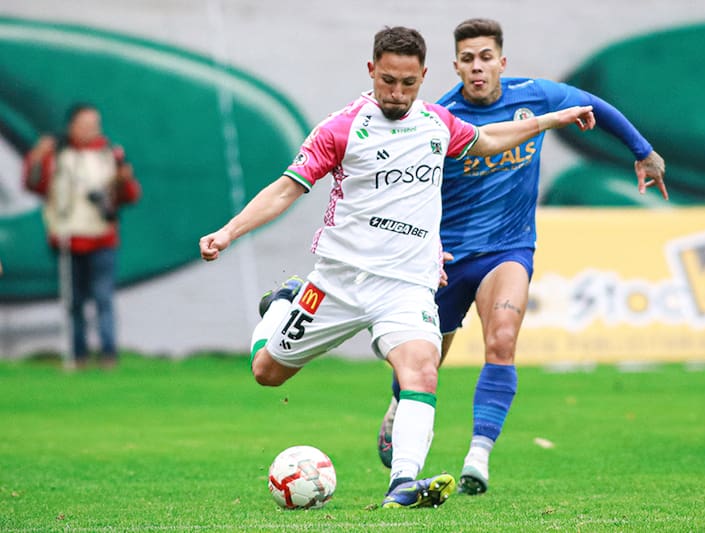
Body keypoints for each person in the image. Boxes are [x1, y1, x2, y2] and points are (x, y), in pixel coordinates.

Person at [199, 26, 595, 509]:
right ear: (371, 71)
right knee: (266, 372)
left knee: (422, 371)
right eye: (388, 81)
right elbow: (286, 188)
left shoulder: (437, 124)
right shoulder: (340, 128)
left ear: (423, 76)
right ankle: (283, 304)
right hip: (338, 283)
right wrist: (229, 232)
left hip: (407, 285)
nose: (397, 93)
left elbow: (490, 138)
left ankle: (403, 483)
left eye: (408, 83)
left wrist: (551, 120)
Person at [376, 18, 668, 495]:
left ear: (501, 62)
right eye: (468, 59)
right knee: (423, 364)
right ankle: (396, 407)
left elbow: (594, 106)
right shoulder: (439, 117)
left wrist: (642, 150)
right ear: (455, 66)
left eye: (486, 57)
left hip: (508, 249)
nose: (477, 67)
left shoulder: (536, 95)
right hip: (447, 259)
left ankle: (478, 456)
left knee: (503, 339)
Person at [24, 103, 141, 369]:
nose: (90, 129)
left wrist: (123, 181)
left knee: (103, 299)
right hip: (67, 236)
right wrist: (37, 157)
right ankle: (78, 355)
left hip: (101, 236)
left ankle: (109, 354)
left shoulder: (110, 154)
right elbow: (34, 184)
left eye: (94, 124)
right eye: (84, 124)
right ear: (71, 126)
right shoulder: (59, 155)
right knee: (73, 301)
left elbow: (130, 195)